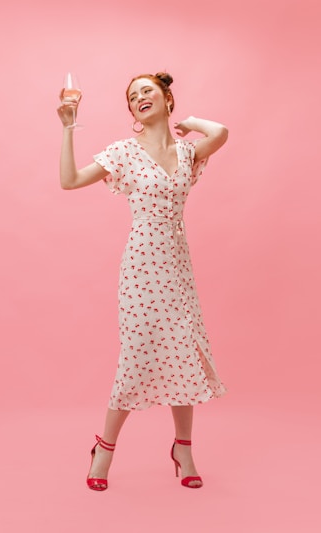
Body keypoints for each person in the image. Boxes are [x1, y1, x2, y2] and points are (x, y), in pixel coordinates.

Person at [57, 72, 228, 490]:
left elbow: (221, 131)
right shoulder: (123, 153)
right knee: (136, 357)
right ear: (133, 112)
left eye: (147, 91)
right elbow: (70, 180)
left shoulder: (188, 152)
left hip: (178, 266)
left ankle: (183, 449)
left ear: (166, 99)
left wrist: (187, 122)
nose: (139, 98)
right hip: (141, 266)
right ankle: (105, 448)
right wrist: (67, 130)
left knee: (184, 353)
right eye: (133, 97)